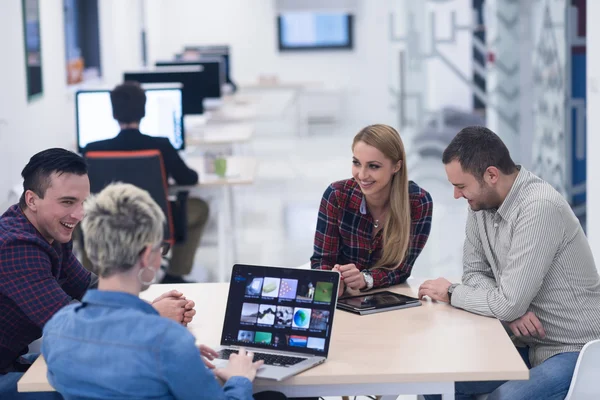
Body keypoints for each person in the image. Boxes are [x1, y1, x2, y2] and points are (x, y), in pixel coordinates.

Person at [42, 183, 284, 400]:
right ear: (148, 256)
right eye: (161, 248)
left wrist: (181, 360)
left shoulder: (57, 329)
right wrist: (239, 378)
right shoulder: (169, 342)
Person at [418, 126, 600, 400]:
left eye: (461, 186)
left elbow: (506, 301)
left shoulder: (539, 208)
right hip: (527, 345)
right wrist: (509, 308)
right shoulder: (480, 204)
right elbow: (475, 273)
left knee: (505, 397)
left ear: (491, 175)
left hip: (575, 349)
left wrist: (452, 292)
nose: (456, 195)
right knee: (435, 384)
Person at [0, 149, 195, 399]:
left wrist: (144, 307)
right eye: (68, 202)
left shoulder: (48, 231)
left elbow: (88, 286)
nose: (79, 214)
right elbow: (70, 326)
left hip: (13, 361)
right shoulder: (16, 247)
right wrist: (152, 316)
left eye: (83, 202)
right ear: (31, 199)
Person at [83, 81, 209, 283]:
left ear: (114, 113)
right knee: (199, 208)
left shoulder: (92, 149)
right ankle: (174, 274)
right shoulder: (161, 145)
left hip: (107, 224)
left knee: (84, 213)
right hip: (155, 223)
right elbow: (189, 178)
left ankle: (90, 276)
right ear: (143, 112)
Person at [311, 124, 433, 297]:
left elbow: (402, 269)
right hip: (344, 299)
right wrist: (331, 283)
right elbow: (322, 260)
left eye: (373, 166)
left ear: (396, 167)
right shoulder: (337, 195)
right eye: (356, 163)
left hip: (386, 298)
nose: (362, 175)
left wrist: (365, 279)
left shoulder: (418, 202)